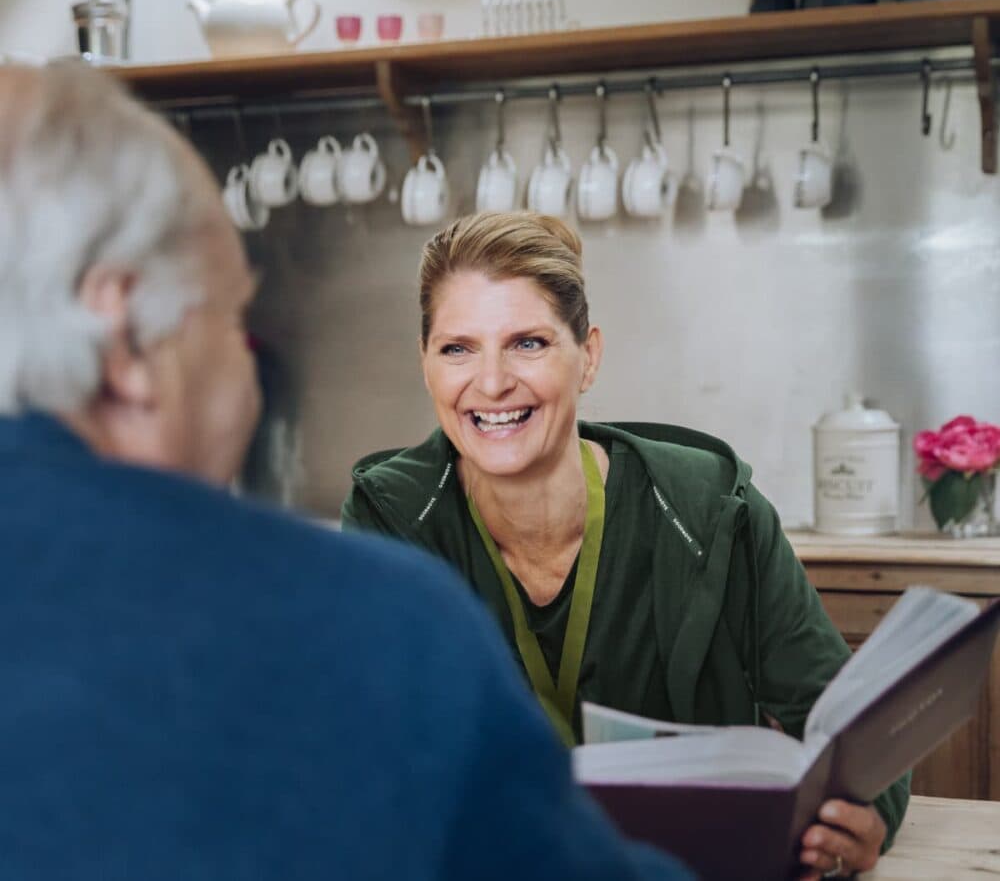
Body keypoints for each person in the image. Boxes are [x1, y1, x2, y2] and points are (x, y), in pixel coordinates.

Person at [0, 64, 694, 881]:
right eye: (232, 317)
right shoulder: (383, 628)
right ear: (124, 340)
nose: (248, 369)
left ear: (589, 357)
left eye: (529, 343)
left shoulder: (698, 500)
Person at [342, 210, 911, 880]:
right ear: (427, 364)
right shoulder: (392, 520)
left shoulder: (709, 511)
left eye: (527, 343)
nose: (491, 382)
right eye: (458, 348)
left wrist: (862, 820)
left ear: (588, 357)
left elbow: (862, 746)